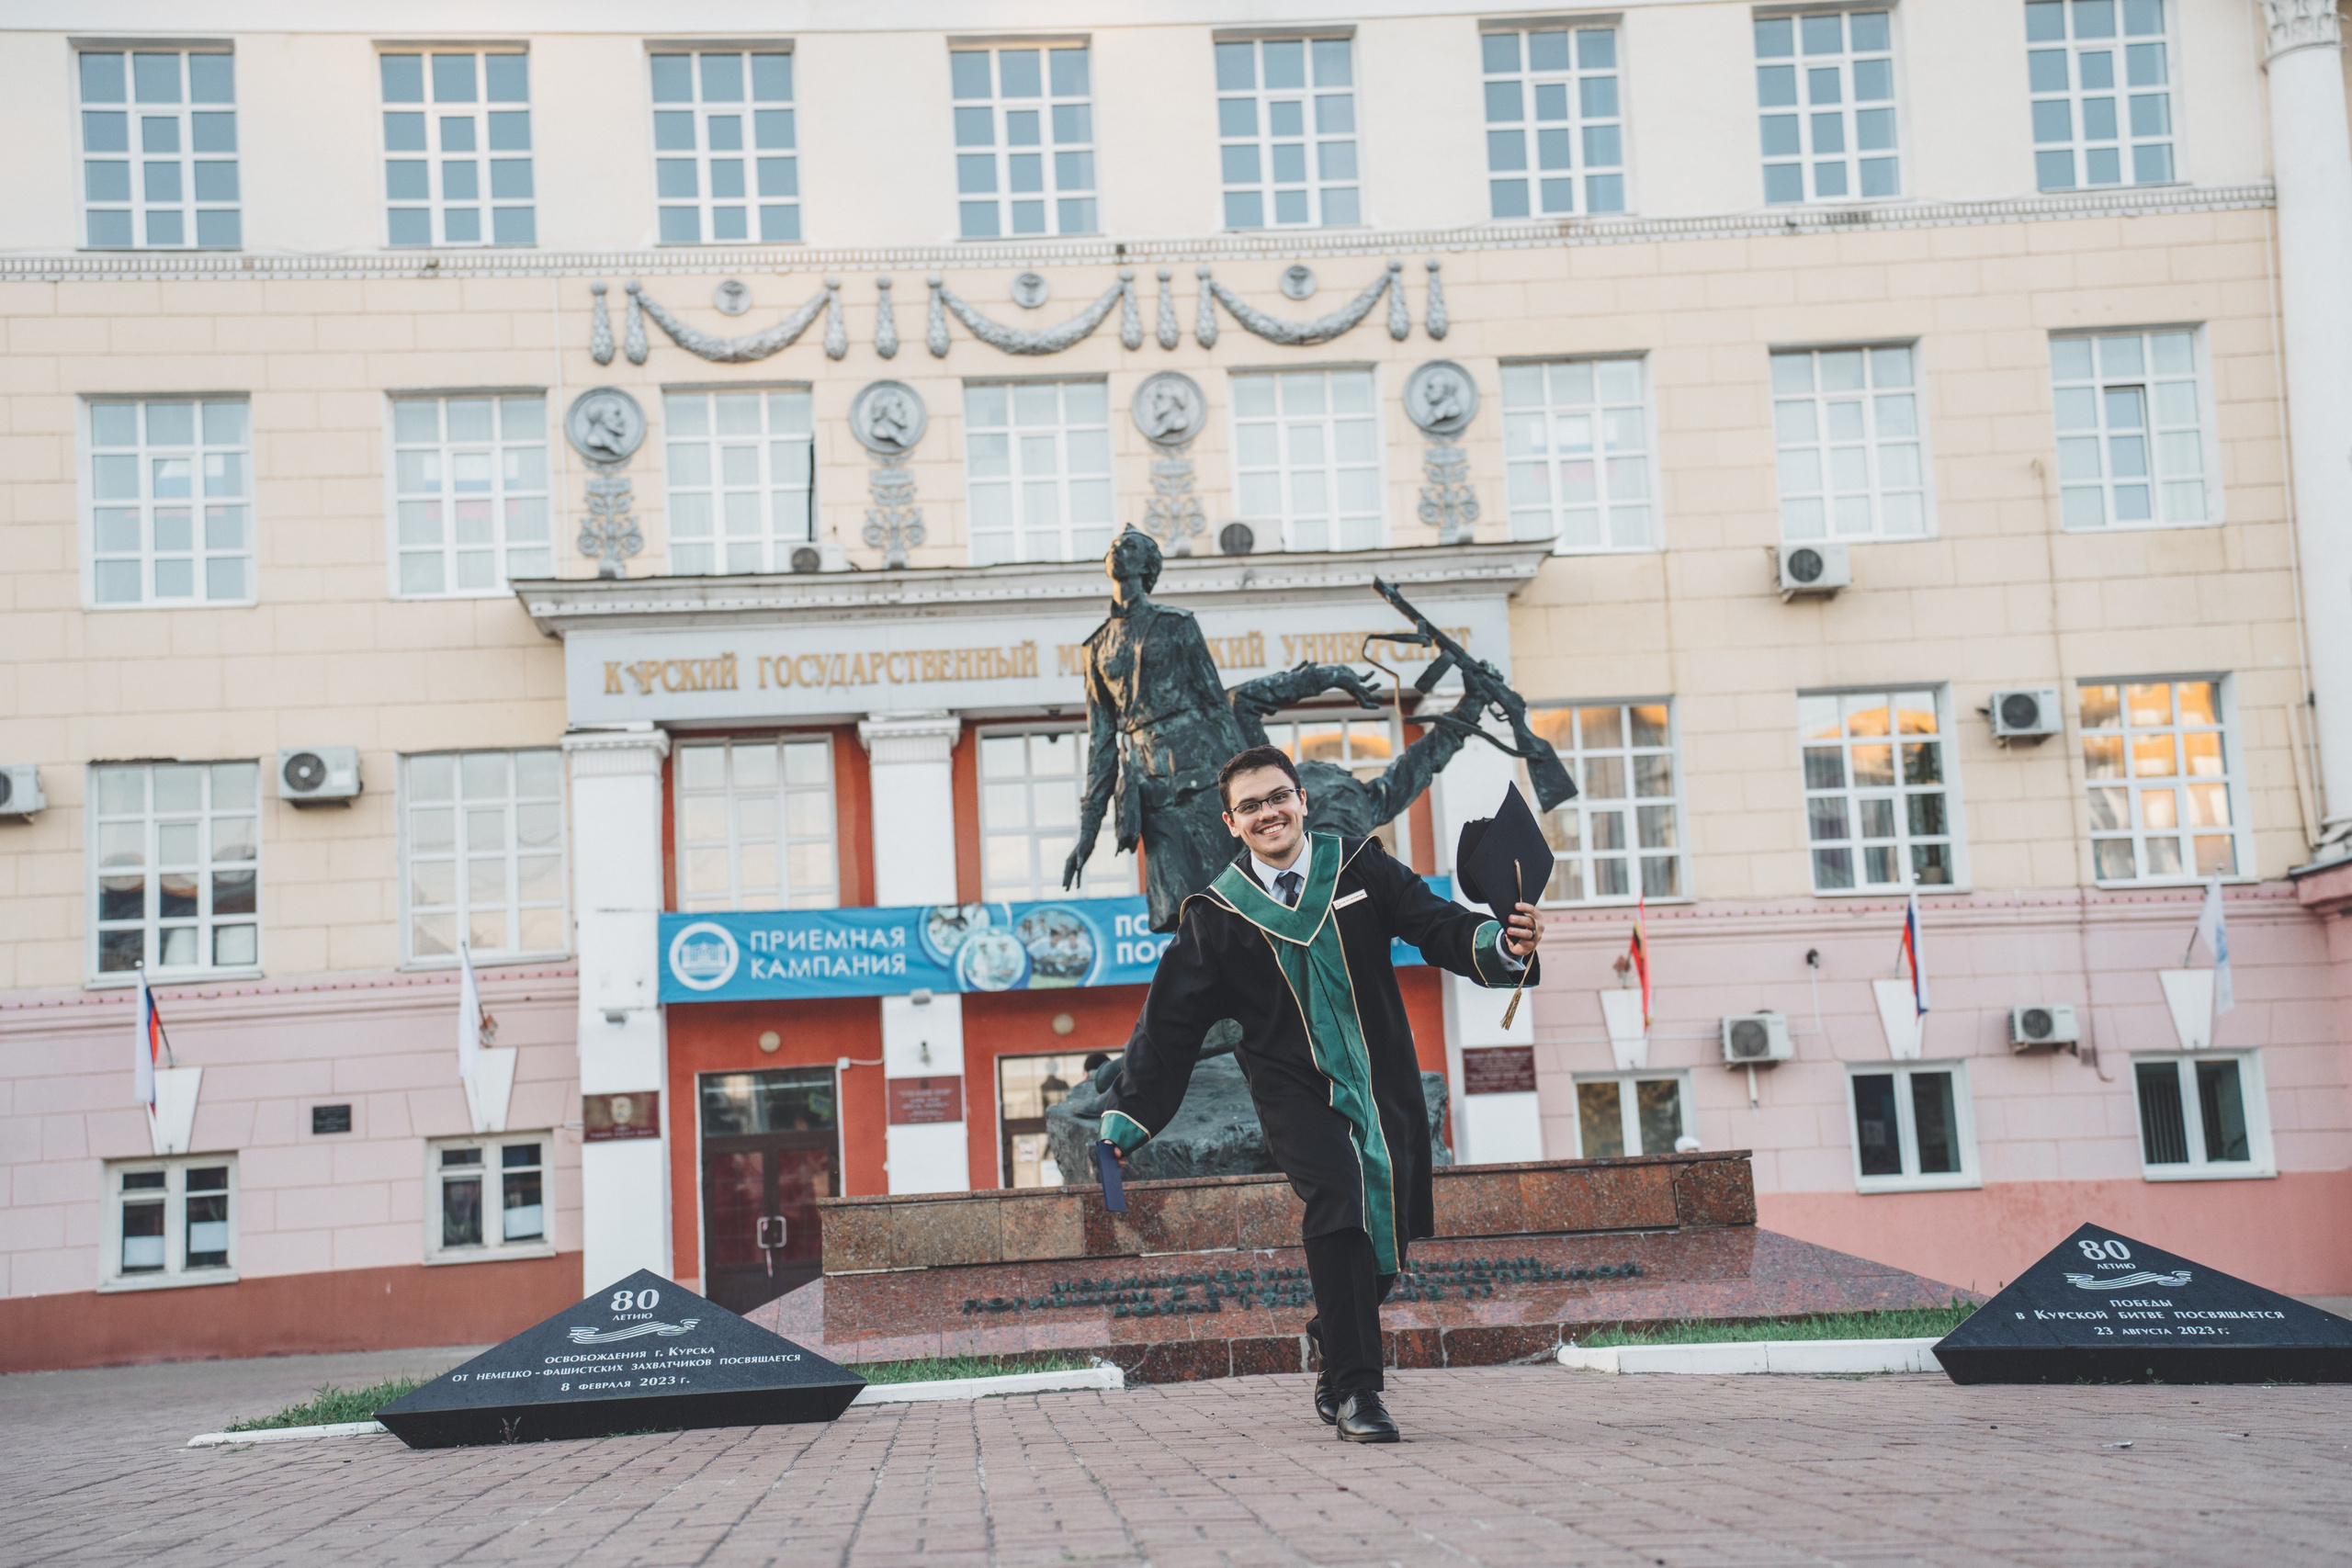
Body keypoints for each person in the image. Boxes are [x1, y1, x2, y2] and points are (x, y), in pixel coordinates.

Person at [1097, 745, 1544, 1443]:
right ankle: (1361, 1394)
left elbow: (1435, 926)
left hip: (1381, 1078)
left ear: (1302, 800)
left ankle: (1337, 1350)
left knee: (1386, 1232)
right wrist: (1125, 1118)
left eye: (1278, 797)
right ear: (1231, 822)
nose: (1267, 812)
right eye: (1250, 806)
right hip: (1293, 1092)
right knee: (1341, 1202)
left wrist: (1502, 945)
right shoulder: (1216, 914)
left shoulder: (1360, 865)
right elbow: (1170, 1025)